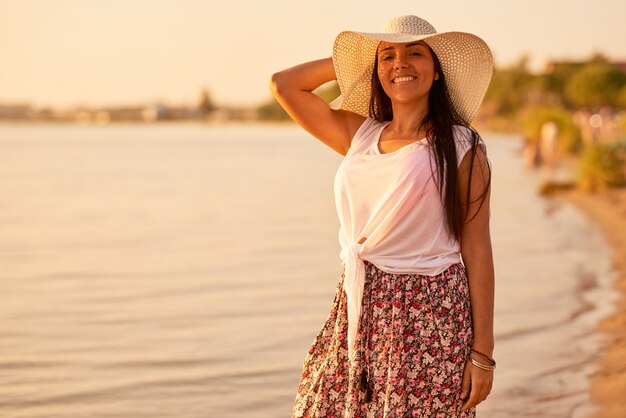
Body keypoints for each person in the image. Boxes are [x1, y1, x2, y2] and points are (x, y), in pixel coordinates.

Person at [270, 15, 495, 417]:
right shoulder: (360, 135)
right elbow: (284, 84)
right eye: (388, 56)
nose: (400, 64)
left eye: (415, 53)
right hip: (357, 304)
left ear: (437, 69)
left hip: (430, 312)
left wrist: (483, 353)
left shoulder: (462, 146)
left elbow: (477, 248)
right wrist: (362, 60)